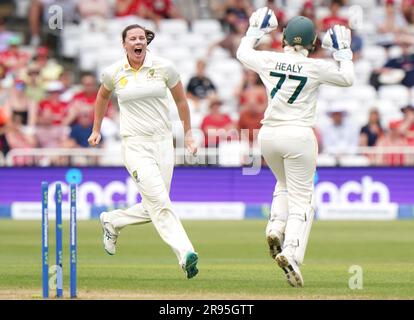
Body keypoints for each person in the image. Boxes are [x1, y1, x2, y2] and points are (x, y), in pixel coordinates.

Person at [237, 8, 354, 287]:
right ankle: (291, 253)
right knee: (304, 200)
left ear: (284, 40)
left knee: (284, 185)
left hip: (269, 135)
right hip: (299, 134)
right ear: (313, 44)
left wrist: (255, 30)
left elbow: (242, 53)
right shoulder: (316, 66)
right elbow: (348, 78)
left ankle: (275, 227)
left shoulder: (269, 59)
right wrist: (343, 51)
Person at [87, 24, 199, 279]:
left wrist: (189, 133)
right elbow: (102, 98)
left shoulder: (164, 67)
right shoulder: (113, 72)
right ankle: (185, 254)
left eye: (142, 38)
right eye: (132, 38)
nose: (138, 42)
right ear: (124, 44)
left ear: (146, 42)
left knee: (153, 207)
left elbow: (181, 101)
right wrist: (96, 129)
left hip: (163, 142)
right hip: (135, 144)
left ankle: (112, 221)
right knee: (160, 201)